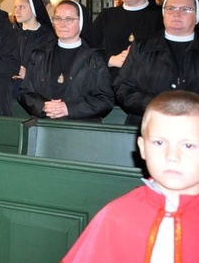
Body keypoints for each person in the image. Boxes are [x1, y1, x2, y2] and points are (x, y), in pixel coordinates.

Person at [62, 90, 199, 262]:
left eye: (188, 145)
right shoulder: (115, 216)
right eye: (159, 142)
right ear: (142, 148)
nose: (172, 156)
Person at [18, 0, 114, 121]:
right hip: (44, 126)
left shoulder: (94, 57)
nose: (62, 24)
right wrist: (43, 106)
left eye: (69, 19)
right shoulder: (40, 54)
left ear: (81, 22)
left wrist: (69, 108)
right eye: (57, 19)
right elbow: (25, 92)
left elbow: (105, 100)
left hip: (80, 129)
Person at [115, 0, 199, 125]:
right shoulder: (141, 47)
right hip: (146, 123)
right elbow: (122, 88)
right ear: (164, 13)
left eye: (186, 9)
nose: (176, 14)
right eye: (171, 8)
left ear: (197, 16)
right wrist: (156, 104)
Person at [91, 0, 163, 79]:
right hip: (112, 81)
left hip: (148, 80)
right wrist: (110, 60)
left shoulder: (161, 15)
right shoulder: (107, 15)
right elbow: (89, 45)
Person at [12, 0, 56, 100]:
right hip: (11, 93)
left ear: (34, 8)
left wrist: (28, 74)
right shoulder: (12, 34)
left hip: (35, 95)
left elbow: (51, 70)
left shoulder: (48, 37)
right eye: (15, 7)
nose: (16, 11)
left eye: (22, 7)